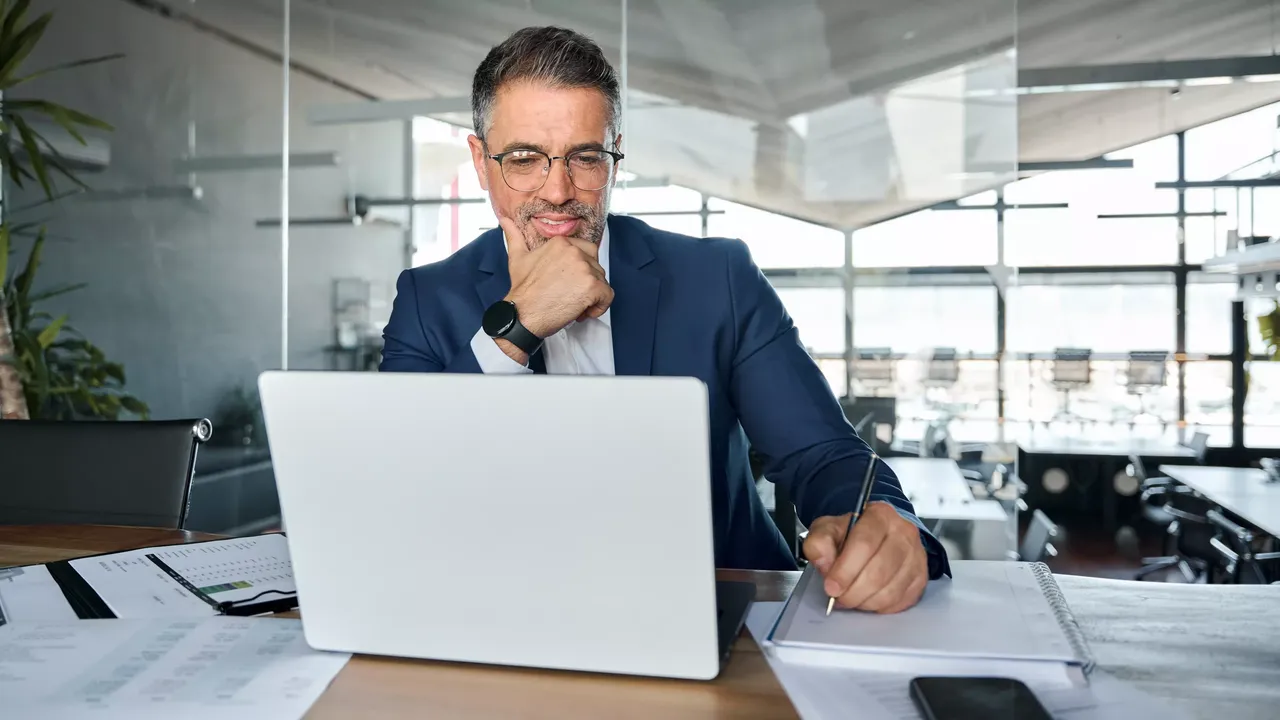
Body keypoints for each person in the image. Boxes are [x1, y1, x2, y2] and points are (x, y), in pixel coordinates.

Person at [380, 26, 949, 613]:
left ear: (615, 156)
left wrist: (883, 521)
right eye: (523, 159)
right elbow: (401, 486)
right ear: (480, 160)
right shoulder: (428, 298)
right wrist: (518, 326)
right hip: (511, 613)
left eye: (586, 157)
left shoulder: (717, 277)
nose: (557, 190)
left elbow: (824, 455)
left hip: (721, 606)